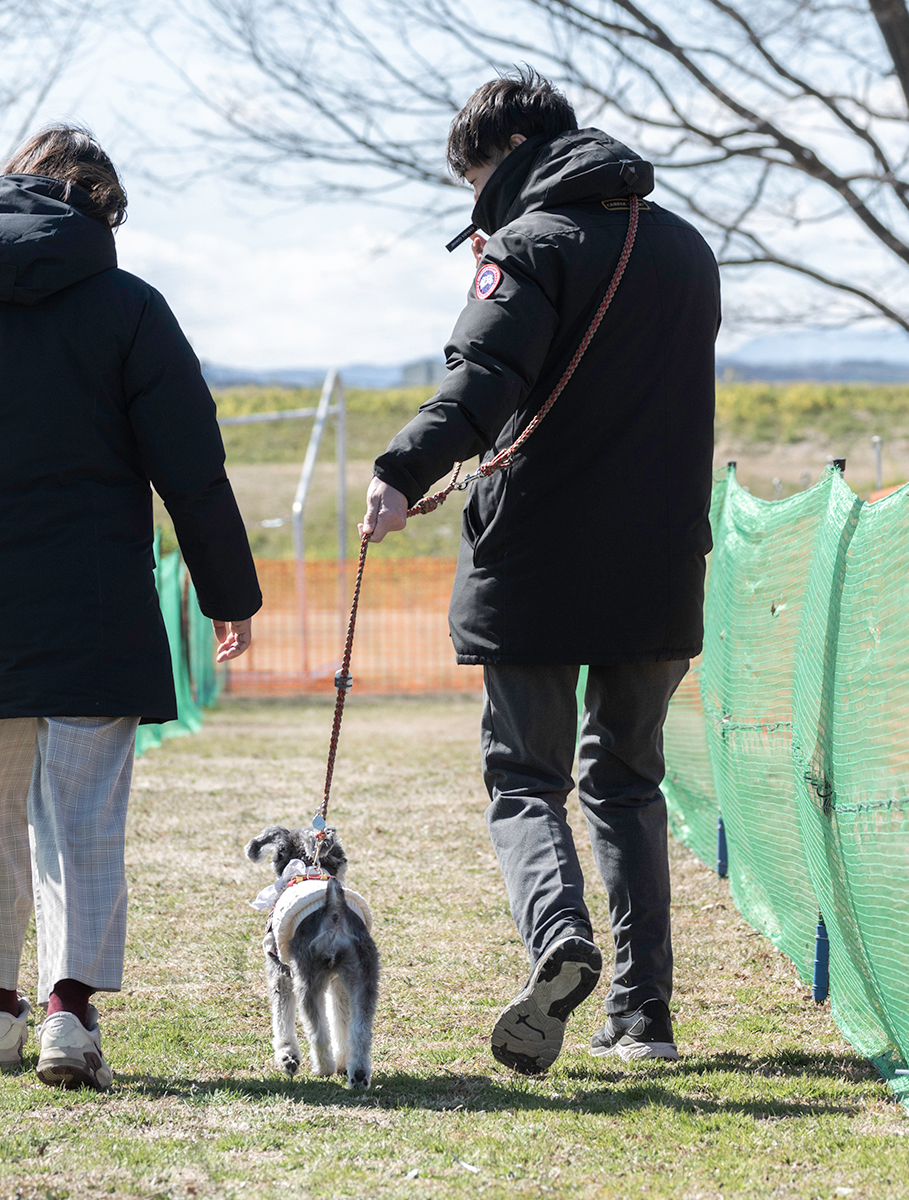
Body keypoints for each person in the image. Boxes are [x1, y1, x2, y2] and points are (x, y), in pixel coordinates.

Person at [0, 125, 261, 1090]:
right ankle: (67, 1014)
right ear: (98, 209)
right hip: (98, 597)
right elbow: (191, 469)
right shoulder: (130, 309)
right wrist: (228, 591)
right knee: (81, 810)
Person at [360, 70, 719, 1074]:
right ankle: (644, 1019)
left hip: (537, 565)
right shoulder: (686, 250)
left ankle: (561, 940)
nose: (473, 198)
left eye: (474, 175)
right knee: (629, 783)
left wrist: (399, 475)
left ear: (509, 151)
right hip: (658, 568)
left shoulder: (524, 248)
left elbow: (482, 384)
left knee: (524, 777)